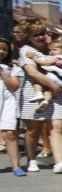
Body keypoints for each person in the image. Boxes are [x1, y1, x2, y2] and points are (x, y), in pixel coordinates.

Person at [18, 23, 62, 173]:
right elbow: (32, 72)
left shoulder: (52, 48)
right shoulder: (26, 50)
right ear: (29, 37)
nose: (41, 37)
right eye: (36, 35)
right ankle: (31, 160)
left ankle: (59, 162)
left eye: (42, 34)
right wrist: (54, 86)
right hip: (35, 92)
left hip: (56, 93)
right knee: (33, 130)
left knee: (57, 127)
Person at [24, 37, 62, 114]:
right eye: (50, 50)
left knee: (37, 80)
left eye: (54, 49)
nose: (51, 52)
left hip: (55, 76)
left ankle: (38, 93)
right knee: (49, 90)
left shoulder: (58, 57)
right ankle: (46, 101)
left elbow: (45, 63)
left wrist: (34, 58)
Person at [0, 37, 25, 176]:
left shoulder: (12, 68)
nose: (1, 51)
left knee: (10, 133)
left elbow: (15, 86)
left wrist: (3, 74)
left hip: (7, 101)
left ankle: (16, 166)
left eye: (4, 49)